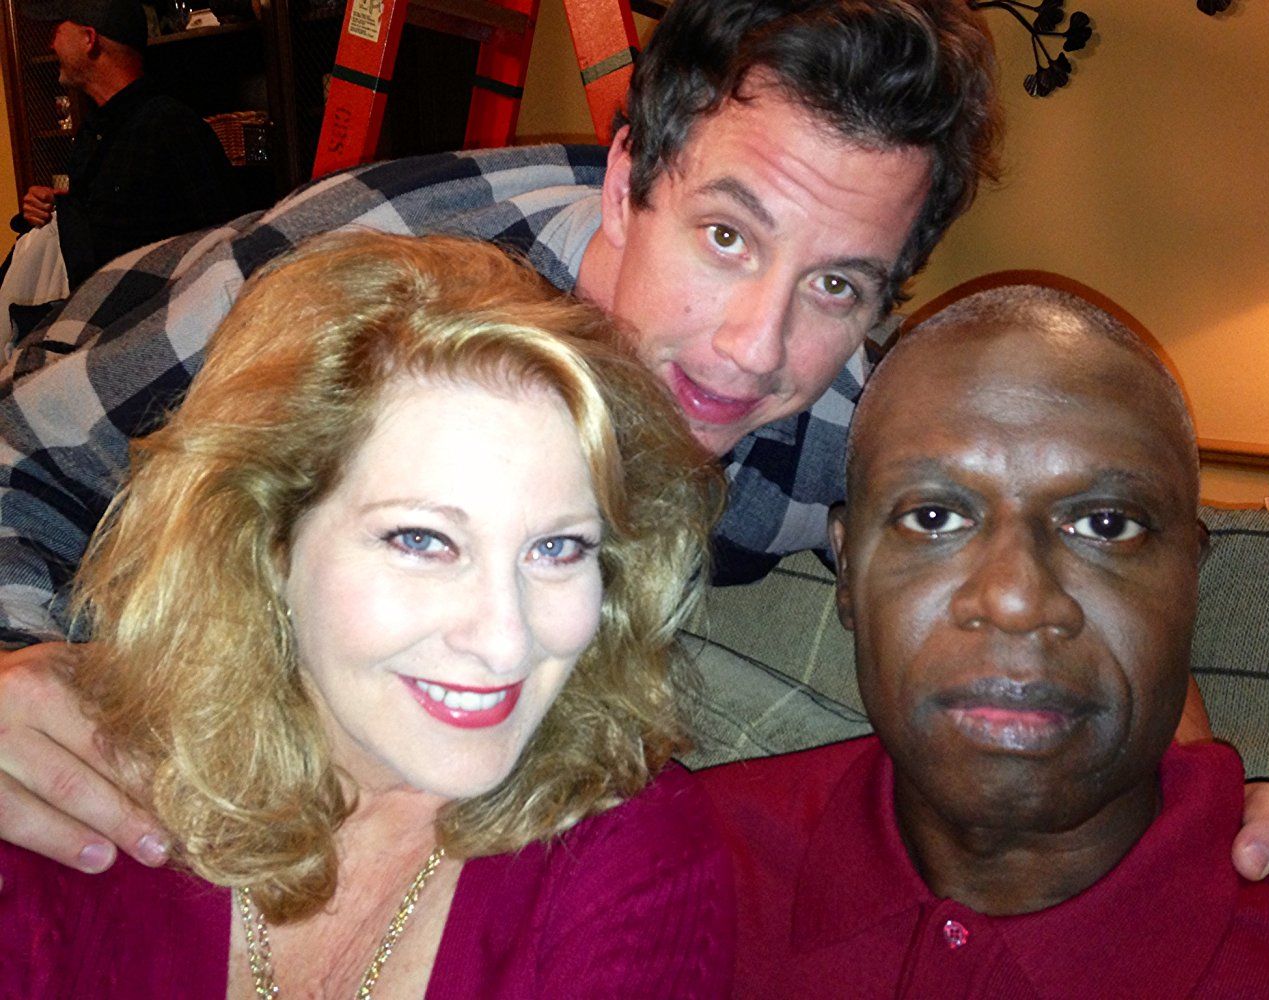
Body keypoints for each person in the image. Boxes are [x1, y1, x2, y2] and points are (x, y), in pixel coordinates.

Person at [0, 0, 1269, 887]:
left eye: (836, 283)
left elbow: (1066, 576)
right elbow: (27, 453)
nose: (752, 350)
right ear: (630, 183)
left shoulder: (842, 413)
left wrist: (1206, 806)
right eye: (727, 236)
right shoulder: (376, 290)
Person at [0, 231, 732, 996]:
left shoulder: (626, 858)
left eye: (557, 548)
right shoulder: (68, 796)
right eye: (421, 540)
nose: (504, 641)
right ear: (267, 541)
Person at [697, 285, 1269, 997]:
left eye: (1105, 525)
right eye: (933, 518)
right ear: (846, 573)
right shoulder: (667, 864)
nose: (1015, 601)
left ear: (1190, 576)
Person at [8, 0, 237, 295]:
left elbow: (221, 242)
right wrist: (50, 210)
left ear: (89, 39)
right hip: (96, 315)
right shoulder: (94, 132)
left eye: (57, 31)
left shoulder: (171, 125)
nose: (51, 45)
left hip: (159, 318)